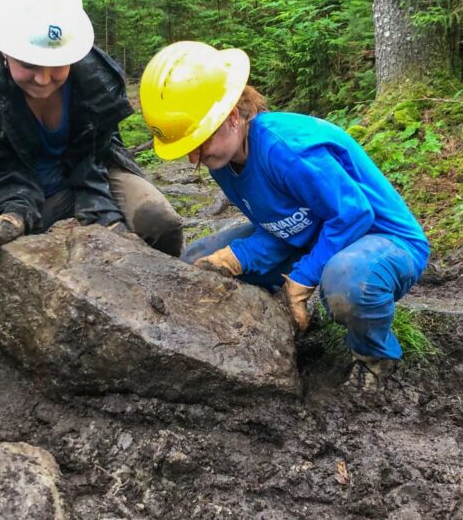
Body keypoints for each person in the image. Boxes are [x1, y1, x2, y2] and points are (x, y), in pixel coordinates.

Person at [140, 41, 429, 390]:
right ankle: (275, 331)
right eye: (187, 148)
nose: (193, 159)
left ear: (232, 115)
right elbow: (286, 224)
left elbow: (352, 215)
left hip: (382, 238)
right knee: (199, 261)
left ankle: (375, 357)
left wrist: (302, 278)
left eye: (199, 143)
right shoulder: (224, 156)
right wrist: (238, 257)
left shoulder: (287, 153)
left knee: (347, 284)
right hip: (318, 230)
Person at [0, 0, 183, 331]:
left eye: (57, 65)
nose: (44, 79)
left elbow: (95, 154)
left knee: (161, 222)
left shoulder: (96, 76)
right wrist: (12, 214)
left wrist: (107, 222)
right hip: (14, 188)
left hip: (89, 173)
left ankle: (162, 301)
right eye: (29, 65)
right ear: (3, 48)